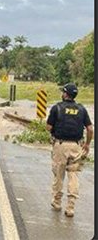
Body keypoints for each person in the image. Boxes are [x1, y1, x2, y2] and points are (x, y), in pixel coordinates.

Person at [46, 83, 93, 217]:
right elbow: (90, 129)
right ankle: (71, 206)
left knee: (59, 174)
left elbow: (48, 127)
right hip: (76, 146)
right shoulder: (82, 109)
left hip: (60, 145)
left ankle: (57, 201)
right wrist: (87, 144)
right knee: (73, 175)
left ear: (65, 94)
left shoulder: (57, 108)